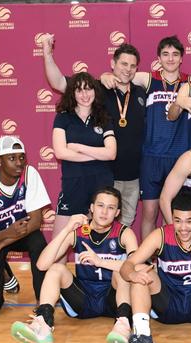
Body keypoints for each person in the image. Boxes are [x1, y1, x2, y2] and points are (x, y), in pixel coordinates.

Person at [10, 187, 137, 343]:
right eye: (100, 205)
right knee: (56, 269)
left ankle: (123, 326)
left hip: (113, 299)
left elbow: (134, 267)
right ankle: (43, 326)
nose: (104, 212)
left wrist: (100, 262)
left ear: (117, 212)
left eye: (111, 208)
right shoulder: (78, 232)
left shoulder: (124, 233)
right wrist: (67, 228)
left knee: (123, 273)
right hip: (83, 299)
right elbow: (42, 264)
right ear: (91, 208)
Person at [43, 34, 146, 227]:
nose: (128, 70)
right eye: (123, 64)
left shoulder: (140, 92)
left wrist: (79, 148)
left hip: (132, 176)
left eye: (132, 66)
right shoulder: (97, 88)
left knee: (121, 231)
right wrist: (47, 55)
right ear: (112, 63)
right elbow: (58, 82)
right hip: (106, 175)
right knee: (95, 229)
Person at [101, 35, 190, 239]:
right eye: (165, 54)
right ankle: (146, 260)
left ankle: (175, 255)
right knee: (150, 212)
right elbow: (122, 74)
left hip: (179, 158)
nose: (170, 59)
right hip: (151, 157)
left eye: (175, 54)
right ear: (158, 58)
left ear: (181, 58)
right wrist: (106, 74)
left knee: (179, 213)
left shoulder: (190, 81)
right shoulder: (148, 79)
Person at [119, 191, 191, 343]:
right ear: (172, 218)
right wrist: (132, 274)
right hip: (168, 304)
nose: (183, 228)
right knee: (140, 269)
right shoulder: (160, 235)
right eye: (177, 221)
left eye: (189, 221)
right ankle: (143, 338)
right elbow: (126, 266)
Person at [51, 71, 117, 236]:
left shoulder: (104, 117)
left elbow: (111, 153)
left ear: (95, 91)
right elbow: (60, 152)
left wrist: (79, 147)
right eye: (79, 90)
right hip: (73, 184)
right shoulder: (63, 118)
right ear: (72, 93)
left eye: (88, 89)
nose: (85, 94)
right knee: (59, 240)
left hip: (101, 184)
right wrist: (97, 155)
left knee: (95, 239)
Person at [0, 136, 49, 314]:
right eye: (12, 158)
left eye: (22, 157)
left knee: (38, 243)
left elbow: (35, 222)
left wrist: (2, 243)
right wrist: (3, 236)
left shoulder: (30, 174)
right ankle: (5, 273)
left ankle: (43, 300)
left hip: (20, 234)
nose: (19, 163)